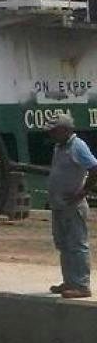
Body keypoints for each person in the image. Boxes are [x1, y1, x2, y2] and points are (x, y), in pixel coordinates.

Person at [46, 114, 95, 299]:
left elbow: (94, 168)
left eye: (54, 130)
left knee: (77, 244)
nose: (51, 134)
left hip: (73, 206)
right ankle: (69, 281)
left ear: (65, 130)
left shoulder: (77, 146)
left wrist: (82, 192)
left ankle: (81, 285)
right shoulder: (59, 147)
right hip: (59, 205)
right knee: (63, 244)